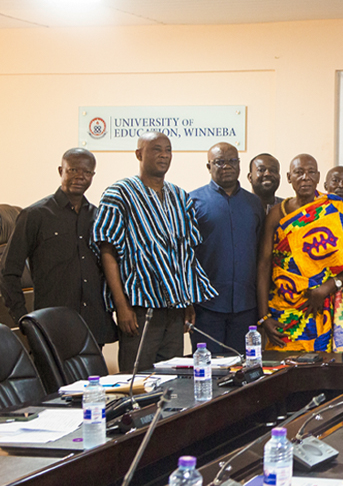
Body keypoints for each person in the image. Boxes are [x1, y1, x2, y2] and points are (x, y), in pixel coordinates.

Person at [92, 132, 217, 371]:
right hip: (139, 310)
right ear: (139, 154)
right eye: (156, 149)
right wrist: (121, 306)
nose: (163, 155)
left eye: (168, 150)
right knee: (138, 382)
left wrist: (187, 301)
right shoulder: (119, 194)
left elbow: (186, 254)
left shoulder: (180, 196)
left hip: (175, 310)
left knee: (171, 382)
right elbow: (107, 251)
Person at [256, 154, 343, 352]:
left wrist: (330, 286)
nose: (305, 177)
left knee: (325, 369)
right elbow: (264, 264)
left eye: (310, 172)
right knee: (283, 371)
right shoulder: (277, 213)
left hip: (326, 305)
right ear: (289, 178)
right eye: (299, 173)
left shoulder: (335, 209)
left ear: (318, 177)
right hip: (286, 306)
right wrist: (264, 317)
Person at [1, 148, 117, 345]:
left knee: (95, 377)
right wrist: (24, 319)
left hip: (93, 326)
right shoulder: (35, 215)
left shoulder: (97, 217)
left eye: (87, 172)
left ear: (93, 175)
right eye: (73, 170)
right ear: (60, 171)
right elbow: (7, 271)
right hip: (52, 327)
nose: (80, 176)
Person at [189, 143, 265, 354]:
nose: (227, 166)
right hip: (206, 307)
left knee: (243, 371)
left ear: (240, 165)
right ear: (208, 166)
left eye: (232, 161)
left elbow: (260, 253)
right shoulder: (193, 201)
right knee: (208, 370)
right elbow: (185, 254)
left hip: (246, 306)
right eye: (219, 162)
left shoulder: (253, 203)